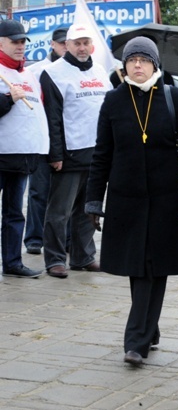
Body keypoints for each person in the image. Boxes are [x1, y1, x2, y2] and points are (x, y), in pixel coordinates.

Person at [85, 36, 178, 366]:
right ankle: (149, 328)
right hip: (127, 199)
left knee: (154, 267)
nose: (137, 65)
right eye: (131, 60)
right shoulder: (114, 101)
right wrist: (93, 199)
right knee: (139, 267)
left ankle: (136, 341)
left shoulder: (174, 98)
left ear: (154, 64)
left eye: (143, 60)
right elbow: (102, 154)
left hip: (166, 199)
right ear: (124, 65)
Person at [40, 23, 112, 278]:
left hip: (97, 152)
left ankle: (83, 257)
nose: (82, 48)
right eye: (76, 43)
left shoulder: (101, 70)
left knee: (88, 210)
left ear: (92, 45)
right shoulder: (54, 73)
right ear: (67, 45)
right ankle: (55, 259)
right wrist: (55, 154)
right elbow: (53, 118)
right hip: (69, 153)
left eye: (86, 43)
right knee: (59, 212)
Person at [0, 20, 49, 278]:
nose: (20, 46)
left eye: (22, 41)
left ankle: (12, 262)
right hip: (1, 153)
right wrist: (7, 99)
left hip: (21, 155)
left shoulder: (28, 73)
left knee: (13, 212)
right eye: (14, 41)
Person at [23, 26, 68, 256]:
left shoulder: (73, 70)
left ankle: (65, 239)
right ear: (52, 44)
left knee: (65, 195)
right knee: (38, 192)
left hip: (66, 140)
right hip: (42, 139)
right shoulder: (37, 70)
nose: (63, 46)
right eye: (60, 43)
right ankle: (33, 238)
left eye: (66, 43)